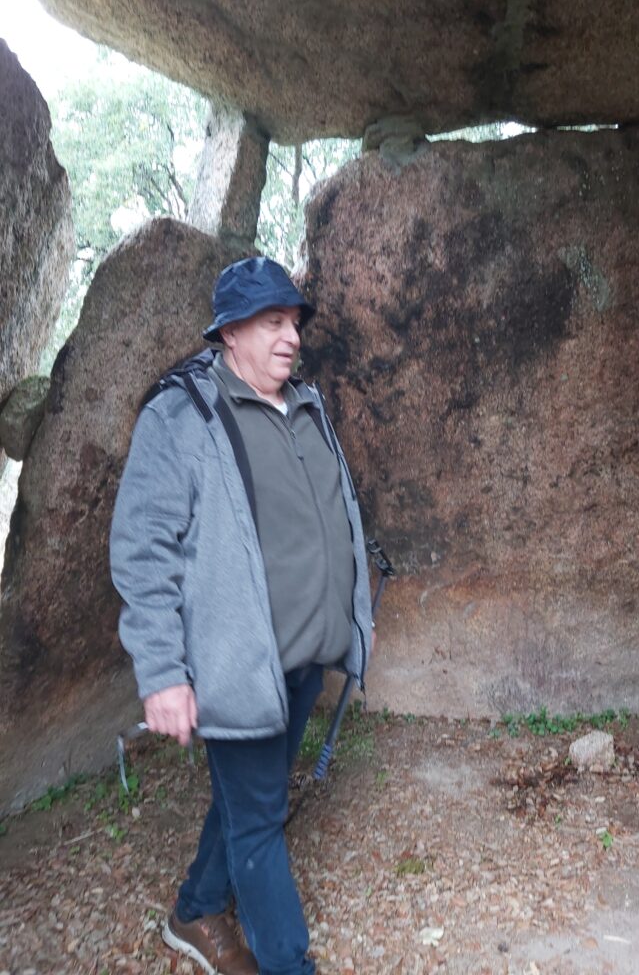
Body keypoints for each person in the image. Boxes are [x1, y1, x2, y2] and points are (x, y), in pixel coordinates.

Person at [110, 256, 373, 975]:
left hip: (301, 661)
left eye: (293, 322)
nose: (289, 337)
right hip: (237, 667)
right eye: (271, 322)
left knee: (246, 801)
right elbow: (142, 549)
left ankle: (195, 908)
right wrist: (163, 673)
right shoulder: (184, 414)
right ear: (230, 332)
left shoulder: (307, 406)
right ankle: (290, 963)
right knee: (259, 824)